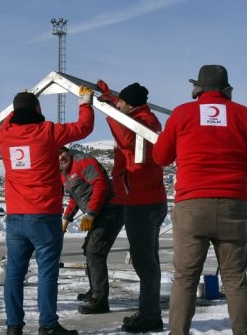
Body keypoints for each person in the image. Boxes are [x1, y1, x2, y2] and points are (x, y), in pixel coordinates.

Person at [153, 65, 247, 335]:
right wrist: (238, 174)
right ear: (226, 89)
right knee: (235, 279)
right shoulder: (245, 114)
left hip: (192, 206)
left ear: (198, 88)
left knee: (185, 279)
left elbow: (161, 156)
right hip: (232, 205)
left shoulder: (182, 113)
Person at [0, 88, 94, 335]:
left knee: (14, 273)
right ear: (38, 110)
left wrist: (21, 103)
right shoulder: (47, 131)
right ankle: (48, 326)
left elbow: (11, 117)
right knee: (47, 273)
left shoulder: (4, 134)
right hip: (43, 214)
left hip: (15, 217)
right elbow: (84, 127)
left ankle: (13, 327)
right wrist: (85, 101)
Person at [95, 80, 168, 333]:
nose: (118, 105)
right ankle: (150, 312)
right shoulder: (139, 116)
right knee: (148, 260)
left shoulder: (144, 122)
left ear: (130, 105)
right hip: (144, 199)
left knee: (144, 262)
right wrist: (109, 97)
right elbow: (125, 120)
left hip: (143, 202)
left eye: (121, 102)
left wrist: (109, 109)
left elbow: (126, 139)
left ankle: (150, 316)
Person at [59, 146, 124, 315]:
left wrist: (90, 213)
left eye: (61, 153)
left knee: (95, 252)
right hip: (98, 213)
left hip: (111, 209)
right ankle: (94, 290)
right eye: (55, 156)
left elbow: (101, 184)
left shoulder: (83, 162)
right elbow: (75, 198)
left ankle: (100, 300)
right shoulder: (64, 174)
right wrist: (66, 219)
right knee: (89, 250)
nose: (60, 158)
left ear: (67, 151)